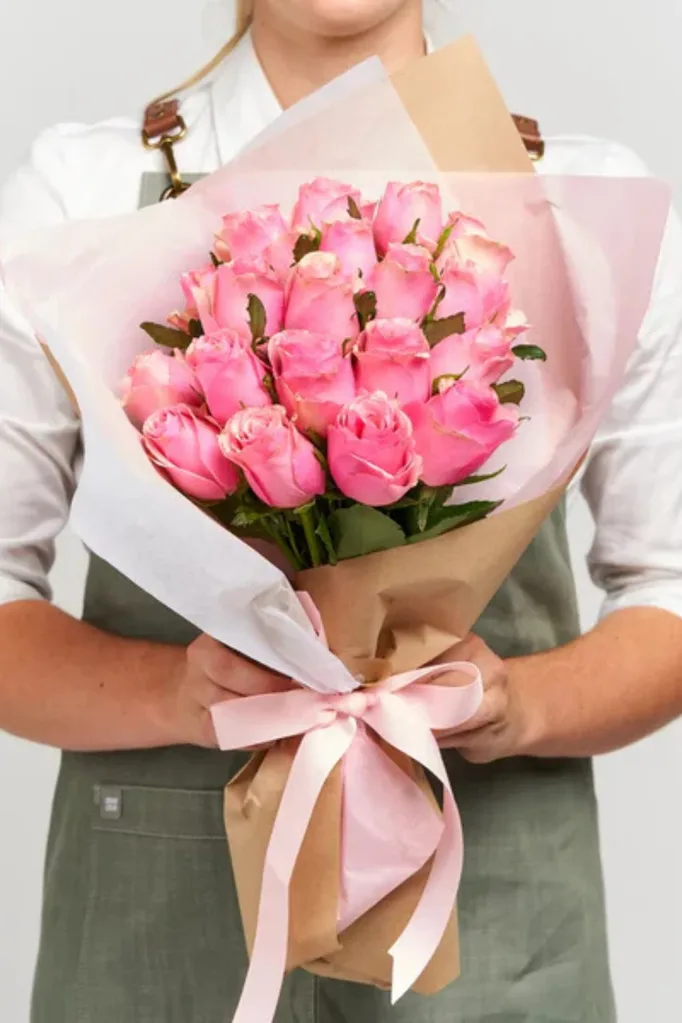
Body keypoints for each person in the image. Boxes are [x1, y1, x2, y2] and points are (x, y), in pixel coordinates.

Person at [1, 1, 681, 1021]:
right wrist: (176, 695)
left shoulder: (579, 205)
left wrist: (511, 704)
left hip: (495, 934)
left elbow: (668, 589)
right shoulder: (79, 189)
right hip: (161, 933)